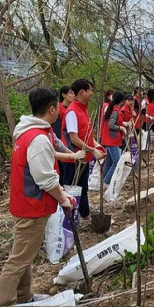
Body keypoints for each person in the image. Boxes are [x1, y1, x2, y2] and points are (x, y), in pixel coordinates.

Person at [0, 88, 85, 306]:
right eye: (57, 109)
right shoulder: (37, 139)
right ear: (52, 109)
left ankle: (24, 297)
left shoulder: (29, 131)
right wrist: (63, 198)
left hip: (25, 204)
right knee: (18, 260)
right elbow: (45, 179)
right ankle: (3, 302)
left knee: (25, 256)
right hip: (31, 208)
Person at [61, 79, 103, 220]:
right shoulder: (72, 111)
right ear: (82, 92)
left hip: (84, 157)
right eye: (90, 90)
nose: (92, 93)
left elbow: (87, 134)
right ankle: (67, 219)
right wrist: (92, 150)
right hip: (74, 158)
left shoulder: (84, 109)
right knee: (71, 188)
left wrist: (96, 145)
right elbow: (74, 139)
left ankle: (84, 214)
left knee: (83, 187)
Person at [101, 91, 127, 187]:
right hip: (112, 140)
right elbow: (111, 125)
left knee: (109, 162)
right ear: (122, 101)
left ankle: (103, 182)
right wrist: (121, 128)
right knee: (116, 161)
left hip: (110, 139)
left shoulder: (113, 109)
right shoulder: (115, 111)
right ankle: (106, 182)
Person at [51, 85, 74, 180]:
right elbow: (56, 130)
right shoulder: (59, 111)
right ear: (64, 95)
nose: (73, 96)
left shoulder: (71, 110)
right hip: (61, 145)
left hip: (66, 146)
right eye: (71, 93)